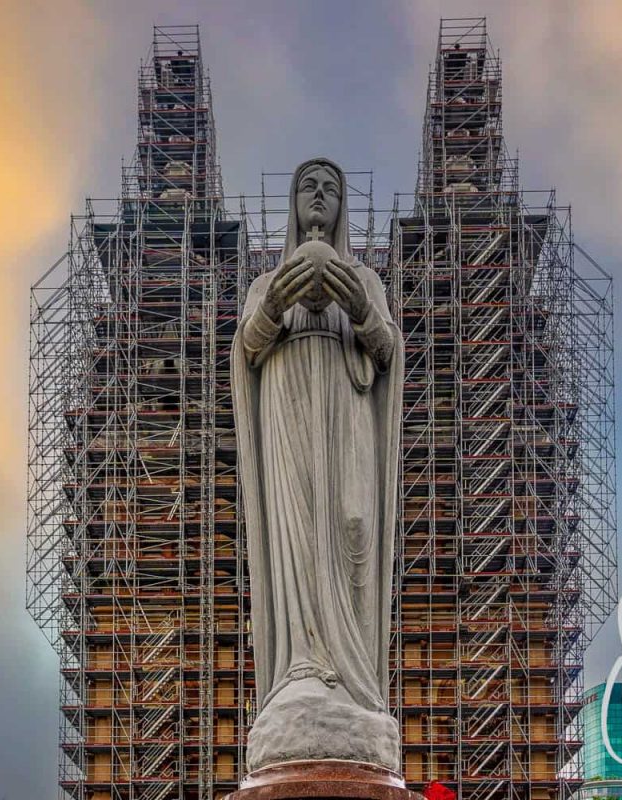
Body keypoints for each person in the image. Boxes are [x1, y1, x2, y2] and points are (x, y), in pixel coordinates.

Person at [231, 157, 404, 772]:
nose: (320, 198)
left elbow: (387, 352)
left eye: (331, 189)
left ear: (342, 208)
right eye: (309, 187)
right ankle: (302, 665)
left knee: (353, 531)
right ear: (293, 203)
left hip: (349, 422)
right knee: (298, 542)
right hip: (290, 422)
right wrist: (272, 307)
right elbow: (245, 351)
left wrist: (360, 306)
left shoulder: (365, 278)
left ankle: (354, 682)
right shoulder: (267, 281)